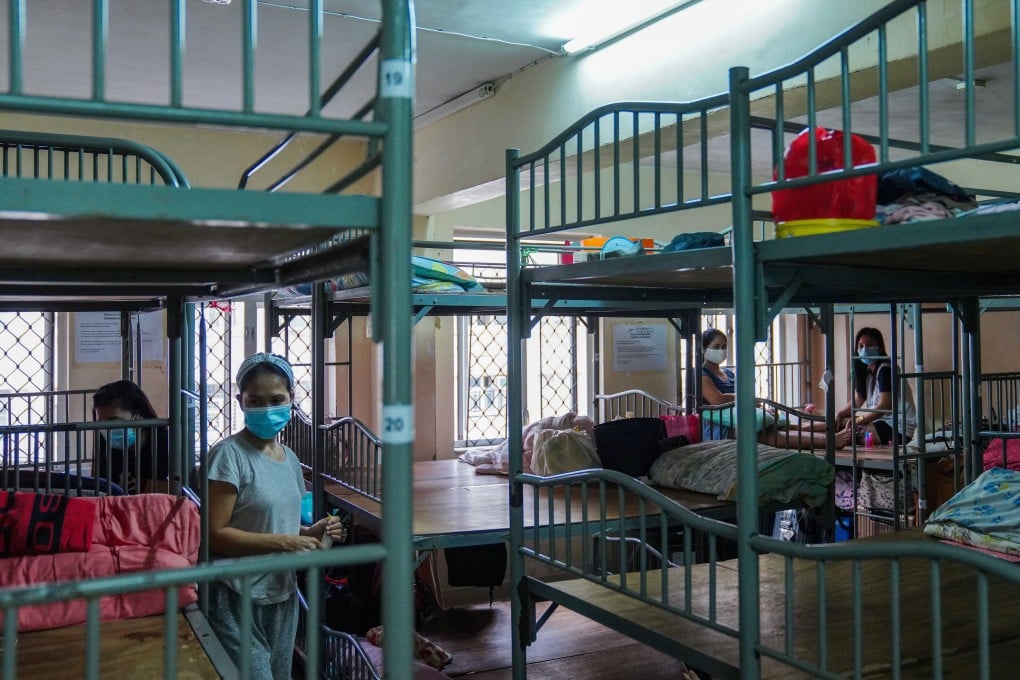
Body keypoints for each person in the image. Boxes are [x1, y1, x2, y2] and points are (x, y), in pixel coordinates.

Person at [206, 352, 345, 680]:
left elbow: (280, 525)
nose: (267, 409)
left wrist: (312, 532)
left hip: (281, 593)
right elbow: (215, 534)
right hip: (236, 595)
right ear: (240, 401)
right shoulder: (229, 456)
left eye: (276, 399)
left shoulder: (290, 459)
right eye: (255, 401)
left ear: (292, 398)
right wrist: (285, 542)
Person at [700, 328, 850, 449]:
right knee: (771, 436)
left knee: (787, 427)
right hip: (723, 428)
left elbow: (746, 399)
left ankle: (834, 426)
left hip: (743, 420)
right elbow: (717, 399)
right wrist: (745, 398)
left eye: (724, 347)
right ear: (703, 349)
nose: (721, 350)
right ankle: (830, 440)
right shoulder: (701, 374)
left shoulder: (728, 373)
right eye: (716, 347)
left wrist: (762, 410)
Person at [834, 327, 917, 446]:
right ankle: (805, 429)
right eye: (861, 346)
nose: (865, 349)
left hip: (898, 428)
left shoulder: (885, 369)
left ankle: (818, 438)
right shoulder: (868, 373)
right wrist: (840, 413)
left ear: (880, 347)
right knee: (840, 422)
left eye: (870, 345)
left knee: (847, 432)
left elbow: (884, 406)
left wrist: (859, 420)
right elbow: (858, 400)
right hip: (881, 422)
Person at [92, 380, 171, 494]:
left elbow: (175, 490)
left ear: (139, 416)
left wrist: (143, 485)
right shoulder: (105, 440)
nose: (108, 429)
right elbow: (102, 485)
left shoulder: (166, 444)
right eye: (102, 423)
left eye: (114, 421)